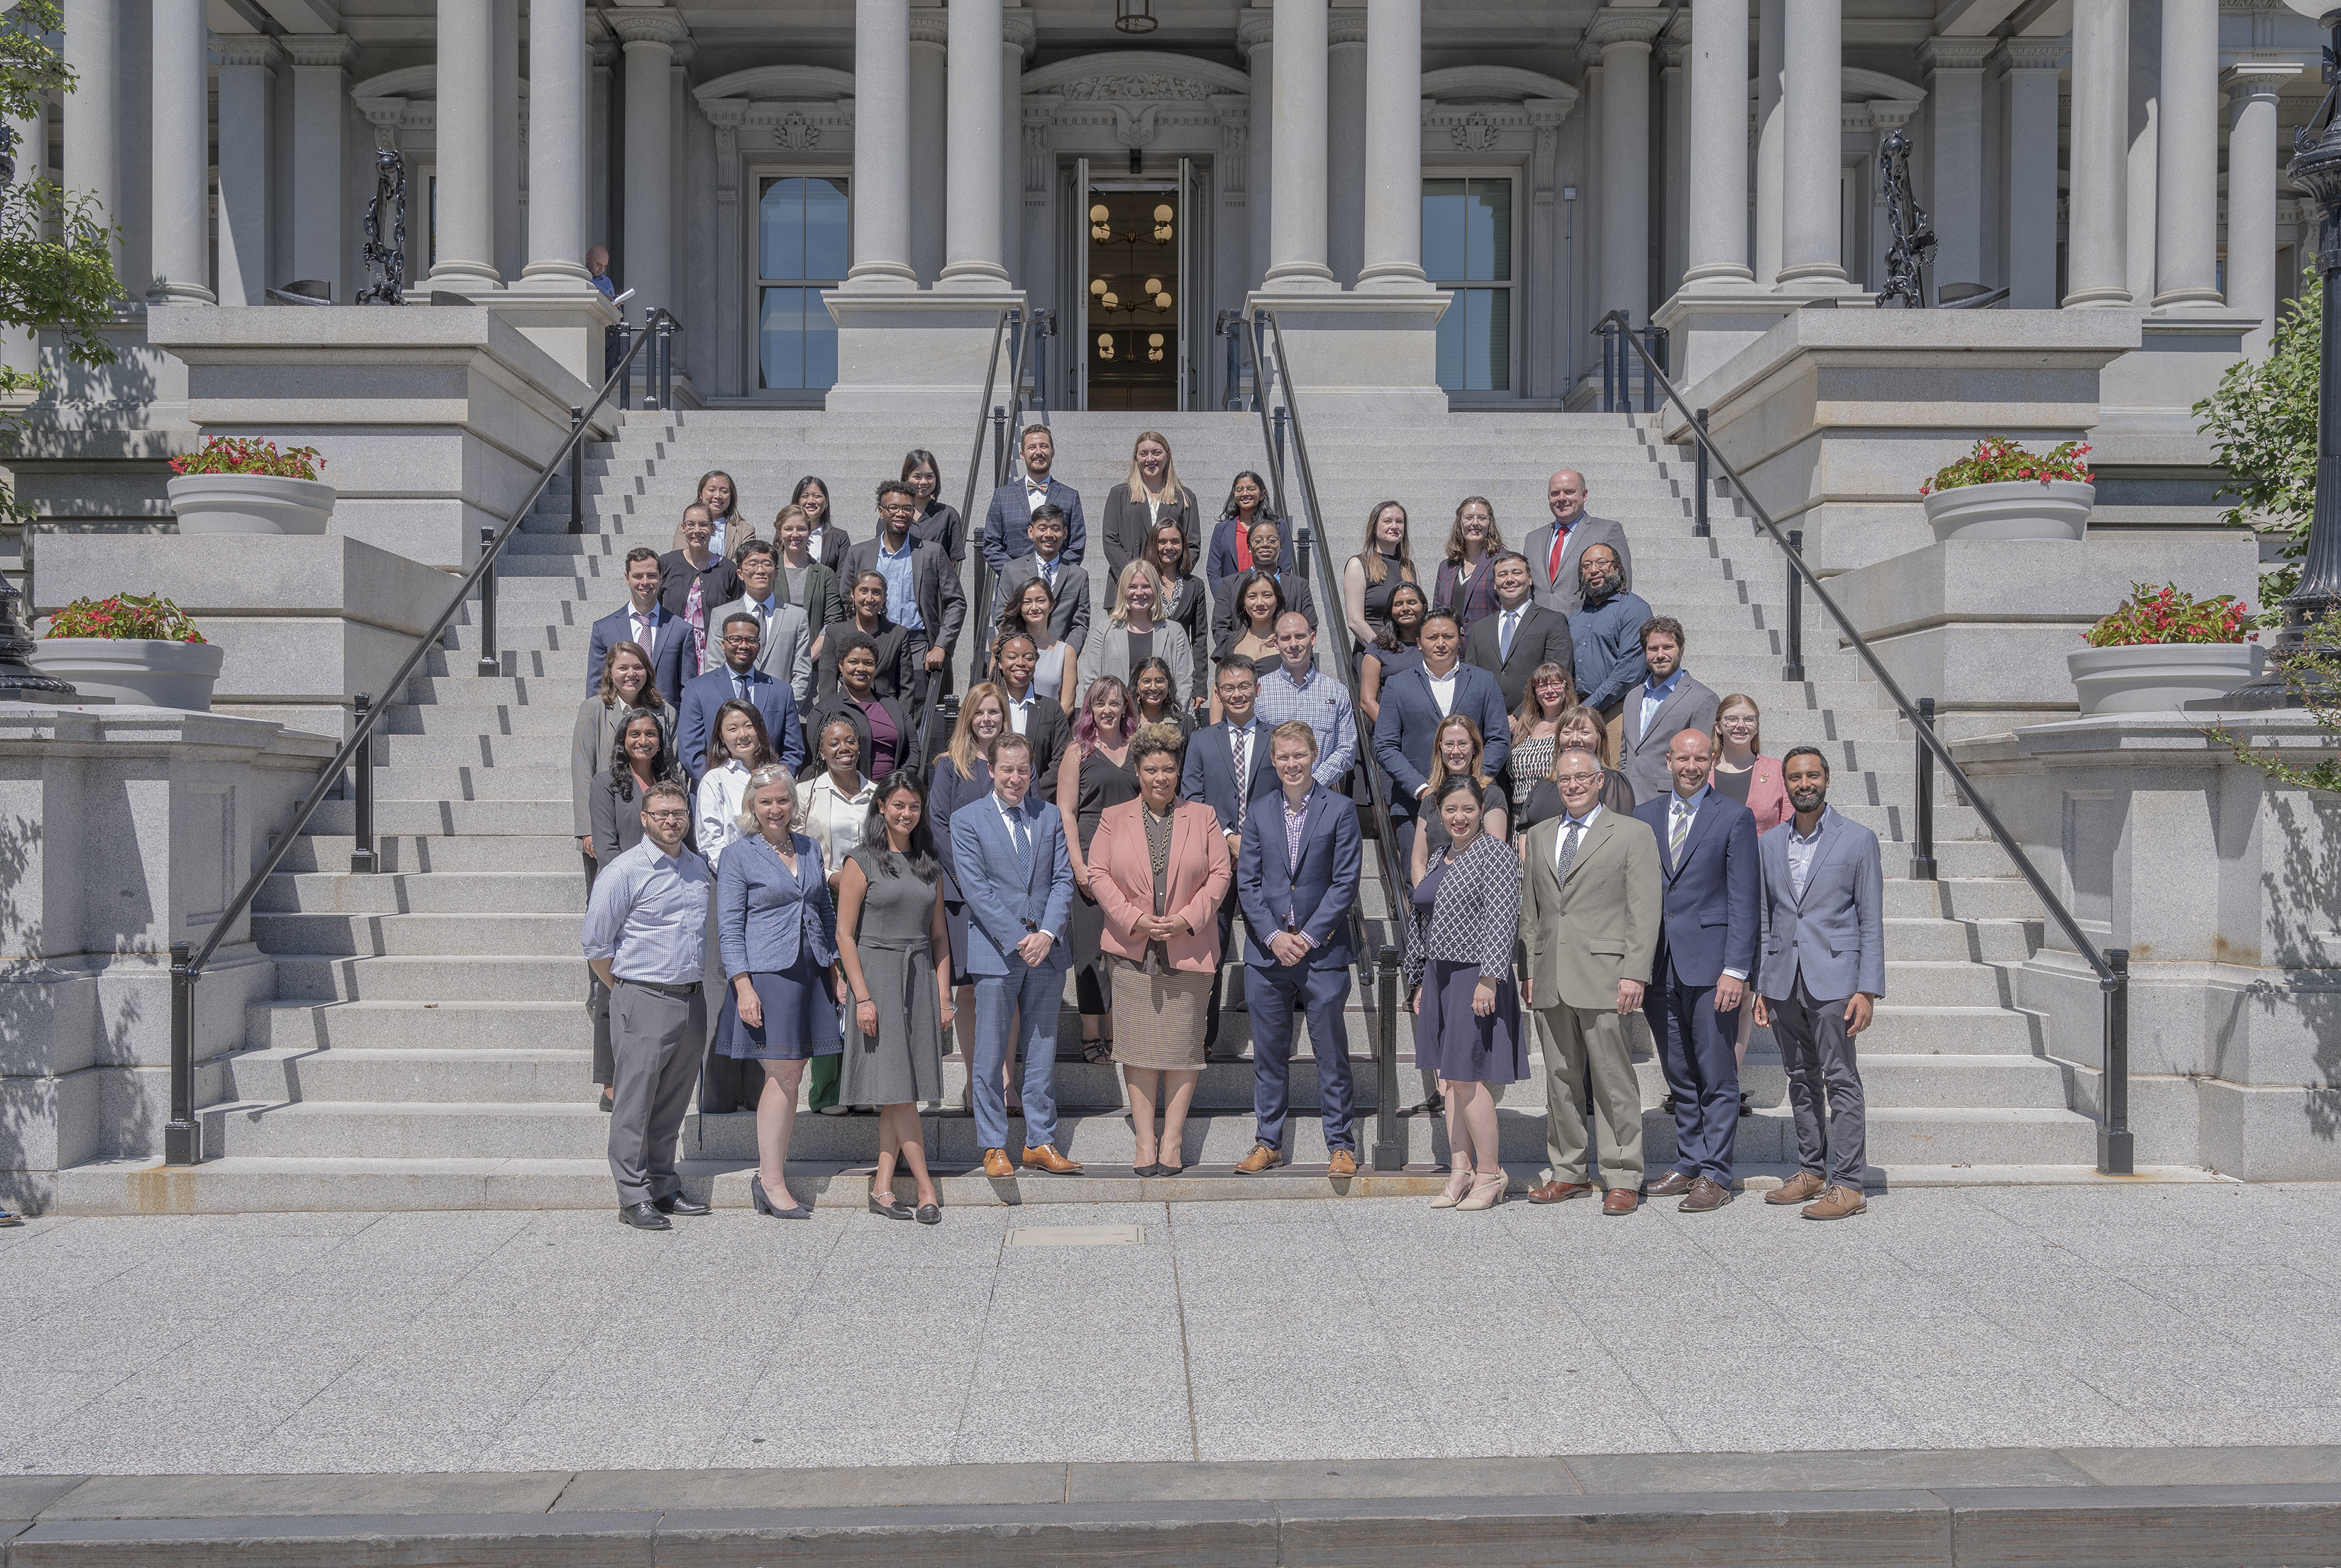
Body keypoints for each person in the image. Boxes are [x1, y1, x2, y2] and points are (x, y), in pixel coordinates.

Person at [1520, 748, 1661, 1215]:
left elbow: (1644, 910)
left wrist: (1634, 972)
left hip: (1606, 975)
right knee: (1560, 1079)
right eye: (1565, 778)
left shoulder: (1632, 833)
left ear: (1601, 781)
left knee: (1612, 1078)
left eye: (1582, 777)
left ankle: (1622, 1175)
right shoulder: (1539, 835)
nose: (1573, 785)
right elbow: (1531, 911)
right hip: (1551, 975)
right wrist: (1530, 969)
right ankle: (1568, 1172)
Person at [1089, 721, 1229, 1177]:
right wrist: (1133, 918)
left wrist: (1188, 918)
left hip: (1190, 944)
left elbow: (1221, 874)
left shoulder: (1203, 816)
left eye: (1168, 768)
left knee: (1185, 1046)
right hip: (1132, 949)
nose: (1160, 778)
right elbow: (1097, 874)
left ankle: (1173, 1141)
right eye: (1151, 769)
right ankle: (1145, 1141)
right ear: (1137, 770)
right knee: (1138, 1045)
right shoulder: (1113, 818)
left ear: (1178, 770)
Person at [1754, 746, 1884, 1221]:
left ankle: (1848, 1183)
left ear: (1826, 778)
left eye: (1812, 775)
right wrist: (1763, 984)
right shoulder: (1769, 844)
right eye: (1795, 777)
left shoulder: (1858, 839)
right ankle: (1811, 1171)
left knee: (1840, 1077)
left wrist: (1867, 988)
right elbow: (1766, 918)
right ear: (1785, 784)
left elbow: (1871, 919)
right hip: (1784, 980)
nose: (1804, 783)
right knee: (1799, 1077)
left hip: (1836, 980)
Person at [1632, 729, 1760, 1213]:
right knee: (1680, 1073)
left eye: (1701, 758)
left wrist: (1736, 970)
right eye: (1683, 758)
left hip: (1712, 967)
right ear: (1668, 761)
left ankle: (1717, 1174)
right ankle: (1689, 1162)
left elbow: (1745, 898)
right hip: (1658, 964)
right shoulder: (1644, 816)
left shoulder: (1734, 816)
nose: (1691, 766)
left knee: (1716, 1074)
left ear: (1712, 761)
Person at [581, 779, 714, 1231]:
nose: (671, 821)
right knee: (635, 1103)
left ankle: (662, 1183)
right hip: (643, 996)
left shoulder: (698, 868)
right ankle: (632, 1195)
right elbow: (596, 943)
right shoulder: (623, 871)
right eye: (661, 814)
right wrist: (626, 990)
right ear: (644, 818)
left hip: (691, 1000)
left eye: (678, 813)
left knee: (672, 1102)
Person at [950, 731, 1082, 1176]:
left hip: (1047, 951)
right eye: (1006, 769)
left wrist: (1046, 933)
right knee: (989, 1054)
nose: (1015, 777)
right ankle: (993, 1145)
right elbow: (976, 890)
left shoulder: (1049, 815)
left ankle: (1040, 1141)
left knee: (1042, 1051)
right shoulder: (968, 820)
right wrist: (1020, 938)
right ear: (991, 770)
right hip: (996, 951)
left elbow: (1062, 879)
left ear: (1032, 772)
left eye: (1023, 770)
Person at [1234, 721, 1363, 1175]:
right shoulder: (1259, 811)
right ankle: (1268, 1142)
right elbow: (1248, 883)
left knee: (1331, 1052)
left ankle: (1341, 1145)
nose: (1292, 764)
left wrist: (1306, 937)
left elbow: (1345, 883)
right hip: (1267, 954)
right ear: (1273, 761)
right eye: (1284, 757)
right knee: (1269, 1054)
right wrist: (1274, 936)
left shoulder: (1341, 809)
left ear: (1314, 756)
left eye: (1300, 755)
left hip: (1322, 953)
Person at [716, 764, 842, 1220]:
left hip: (811, 968)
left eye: (782, 800)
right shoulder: (737, 855)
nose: (775, 808)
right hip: (769, 973)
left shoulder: (807, 847)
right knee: (783, 1072)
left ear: (793, 802)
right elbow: (730, 926)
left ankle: (770, 1175)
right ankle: (770, 1181)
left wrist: (835, 969)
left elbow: (824, 910)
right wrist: (743, 985)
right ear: (752, 805)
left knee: (794, 1072)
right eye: (766, 801)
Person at [833, 772, 951, 1223]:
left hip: (919, 976)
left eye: (914, 806)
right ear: (881, 806)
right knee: (901, 1091)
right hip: (877, 978)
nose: (906, 813)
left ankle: (882, 1188)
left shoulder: (928, 864)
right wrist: (862, 998)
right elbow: (844, 935)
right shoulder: (860, 861)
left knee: (898, 1088)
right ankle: (925, 1188)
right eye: (898, 805)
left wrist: (944, 995)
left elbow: (939, 936)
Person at [1404, 777, 1527, 1211]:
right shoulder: (1441, 855)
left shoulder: (1495, 853)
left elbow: (1502, 917)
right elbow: (1424, 921)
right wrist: (1420, 980)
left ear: (1482, 811)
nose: (1460, 817)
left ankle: (1490, 1174)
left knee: (1468, 1076)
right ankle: (1460, 1170)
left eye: (1468, 809)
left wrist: (1489, 978)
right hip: (1439, 975)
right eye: (1451, 809)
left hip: (1474, 975)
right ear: (1439, 813)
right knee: (1450, 1080)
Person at [1181, 659, 1280, 1056]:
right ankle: (1202, 1038)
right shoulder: (1202, 740)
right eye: (1228, 688)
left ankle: (1269, 1037)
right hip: (1213, 862)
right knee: (1211, 948)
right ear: (1218, 694)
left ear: (1257, 689)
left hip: (1267, 861)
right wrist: (1226, 837)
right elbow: (1192, 797)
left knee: (1268, 946)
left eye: (1244, 686)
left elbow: (1286, 796)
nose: (1237, 694)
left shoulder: (1277, 738)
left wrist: (1250, 840)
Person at [588, 710, 682, 1113]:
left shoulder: (671, 783)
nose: (643, 741)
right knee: (613, 987)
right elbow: (606, 845)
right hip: (621, 894)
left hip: (666, 895)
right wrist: (630, 887)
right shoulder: (606, 782)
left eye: (651, 734)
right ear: (622, 740)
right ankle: (611, 1081)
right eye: (635, 734)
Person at [1371, 607, 1512, 872]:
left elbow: (1499, 738)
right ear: (1419, 642)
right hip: (1415, 804)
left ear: (1460, 639)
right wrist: (1421, 789)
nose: (1440, 643)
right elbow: (1385, 745)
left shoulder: (1483, 681)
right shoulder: (1398, 685)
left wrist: (1474, 782)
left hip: (1473, 804)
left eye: (1448, 636)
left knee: (1475, 878)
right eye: (1432, 637)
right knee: (1417, 881)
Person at [1059, 676, 1139, 1066]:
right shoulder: (1078, 751)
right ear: (1089, 708)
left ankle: (1118, 1033)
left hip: (1134, 863)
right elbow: (1066, 812)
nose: (1108, 710)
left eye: (1115, 702)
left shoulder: (1139, 748)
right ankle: (1091, 1034)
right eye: (1100, 703)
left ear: (1126, 707)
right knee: (1091, 952)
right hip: (1092, 860)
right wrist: (1078, 864)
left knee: (1126, 952)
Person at [930, 684, 1007, 1071]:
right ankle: (977, 1084)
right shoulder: (950, 765)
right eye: (979, 712)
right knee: (971, 989)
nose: (987, 719)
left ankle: (1004, 1081)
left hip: (1007, 891)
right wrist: (968, 878)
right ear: (967, 718)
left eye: (994, 711)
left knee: (1004, 989)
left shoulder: (1013, 762)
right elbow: (938, 824)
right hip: (962, 893)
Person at [843, 479, 965, 701]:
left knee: (916, 714)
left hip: (918, 647)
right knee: (872, 711)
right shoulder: (858, 553)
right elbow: (845, 601)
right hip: (872, 645)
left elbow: (956, 601)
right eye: (894, 508)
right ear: (881, 512)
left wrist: (942, 645)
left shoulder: (932, 552)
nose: (901, 514)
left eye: (907, 508)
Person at [574, 643, 674, 889]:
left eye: (638, 667)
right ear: (610, 672)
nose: (631, 674)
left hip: (656, 819)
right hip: (606, 817)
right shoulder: (593, 709)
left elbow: (673, 766)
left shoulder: (666, 712)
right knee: (603, 894)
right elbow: (583, 767)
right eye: (623, 668)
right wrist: (587, 829)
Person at [677, 611, 807, 787]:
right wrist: (721, 787)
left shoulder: (781, 691)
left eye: (751, 640)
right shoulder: (698, 688)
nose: (744, 646)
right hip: (716, 792)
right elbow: (690, 751)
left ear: (759, 646)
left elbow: (793, 751)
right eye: (736, 639)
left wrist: (770, 787)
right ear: (723, 644)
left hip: (767, 793)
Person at [1619, 616, 1722, 806]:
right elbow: (1627, 755)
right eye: (1653, 649)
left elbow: (1701, 761)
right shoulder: (1633, 697)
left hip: (1668, 802)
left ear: (1681, 650)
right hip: (1627, 801)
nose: (1660, 655)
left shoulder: (1703, 699)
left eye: (1668, 647)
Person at [1253, 610, 1355, 789]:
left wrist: (1313, 783)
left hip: (1321, 793)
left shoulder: (1337, 692)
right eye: (1286, 638)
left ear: (1312, 638)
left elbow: (1346, 749)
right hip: (1271, 793)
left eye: (1300, 636)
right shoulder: (1259, 691)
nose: (1293, 644)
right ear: (1276, 643)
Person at [1465, 550, 1576, 713]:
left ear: (1530, 579)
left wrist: (1519, 716)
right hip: (1488, 722)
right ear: (1494, 583)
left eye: (1517, 573)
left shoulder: (1553, 621)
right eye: (1502, 575)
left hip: (1537, 720)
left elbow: (1558, 678)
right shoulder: (1479, 629)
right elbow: (1470, 681)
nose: (1510, 579)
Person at [707, 539, 814, 704]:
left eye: (767, 564)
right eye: (752, 564)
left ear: (776, 573)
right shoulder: (721, 615)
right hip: (733, 711)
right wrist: (732, 713)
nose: (760, 570)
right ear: (740, 574)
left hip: (779, 709)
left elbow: (802, 673)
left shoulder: (796, 617)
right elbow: (714, 668)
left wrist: (784, 710)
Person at [1407, 714, 1510, 886]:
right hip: (1434, 894)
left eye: (1462, 744)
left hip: (1474, 893)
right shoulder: (1430, 800)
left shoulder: (1491, 795)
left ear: (1474, 748)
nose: (1455, 751)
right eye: (1449, 744)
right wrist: (1423, 894)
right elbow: (1419, 860)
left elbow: (1495, 858)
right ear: (1440, 748)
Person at [1085, 558, 1196, 713]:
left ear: (1156, 589)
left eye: (1146, 586)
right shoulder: (1103, 632)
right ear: (1123, 590)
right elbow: (1092, 682)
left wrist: (1172, 718)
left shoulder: (1175, 632)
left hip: (1162, 721)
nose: (1139, 593)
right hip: (1116, 721)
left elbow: (1184, 683)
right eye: (1132, 587)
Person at [805, 631, 918, 781]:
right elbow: (820, 758)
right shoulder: (824, 711)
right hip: (846, 791)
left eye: (868, 663)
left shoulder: (893, 706)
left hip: (893, 789)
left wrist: (897, 785)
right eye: (853, 662)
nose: (861, 668)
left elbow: (912, 750)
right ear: (841, 665)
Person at [587, 547, 692, 706]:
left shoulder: (681, 629)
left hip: (664, 718)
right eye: (638, 576)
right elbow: (596, 687)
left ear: (661, 577)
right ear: (627, 578)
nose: (645, 582)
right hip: (618, 718)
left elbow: (687, 689)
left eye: (651, 575)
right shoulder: (604, 629)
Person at [1521, 468, 1633, 617]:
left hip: (1585, 625)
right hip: (1540, 627)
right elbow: (1527, 592)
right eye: (1555, 493)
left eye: (1569, 492)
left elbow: (1622, 587)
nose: (1561, 498)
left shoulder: (1607, 530)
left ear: (1584, 495)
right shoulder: (1533, 539)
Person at [1513, 703, 1637, 835]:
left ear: (1599, 738)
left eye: (1584, 732)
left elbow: (1620, 834)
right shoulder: (1542, 785)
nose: (1575, 739)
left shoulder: (1611, 781)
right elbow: (1525, 831)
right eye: (1567, 732)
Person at [1098, 430, 1201, 585]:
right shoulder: (1119, 494)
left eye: (1157, 453)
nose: (1150, 459)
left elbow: (1192, 544)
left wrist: (1172, 578)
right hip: (1127, 584)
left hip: (1170, 584)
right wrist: (1133, 578)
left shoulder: (1185, 497)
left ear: (1168, 456)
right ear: (1136, 457)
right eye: (1143, 454)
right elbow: (1110, 541)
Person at [1571, 543, 1654, 729]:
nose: (1594, 570)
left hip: (1618, 709)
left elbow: (1630, 670)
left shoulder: (1634, 609)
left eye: (1601, 563)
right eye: (1587, 566)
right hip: (1577, 710)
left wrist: (1591, 705)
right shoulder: (1575, 618)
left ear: (1616, 566)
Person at [983, 423, 1088, 569]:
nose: (1038, 452)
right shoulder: (1002, 496)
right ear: (1022, 455)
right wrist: (1016, 574)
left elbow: (1077, 545)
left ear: (1053, 452)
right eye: (1032, 447)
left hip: (1057, 580)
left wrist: (1053, 573)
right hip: (1014, 581)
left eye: (1044, 446)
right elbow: (991, 545)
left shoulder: (1070, 496)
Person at [993, 503, 1092, 653]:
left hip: (1060, 655)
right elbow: (1003, 617)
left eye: (1055, 529)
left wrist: (1065, 654)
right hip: (1021, 656)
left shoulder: (1078, 576)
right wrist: (1023, 651)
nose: (1049, 534)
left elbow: (1080, 624)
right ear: (1031, 531)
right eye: (1042, 528)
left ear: (1065, 532)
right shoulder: (1012, 570)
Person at [658, 504, 741, 680]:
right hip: (674, 651)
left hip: (715, 654)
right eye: (691, 524)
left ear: (713, 528)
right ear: (683, 528)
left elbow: (739, 610)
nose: (697, 531)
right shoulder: (667, 563)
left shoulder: (727, 569)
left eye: (703, 524)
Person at [694, 698, 780, 866]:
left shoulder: (777, 775)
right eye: (733, 729)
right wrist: (738, 874)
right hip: (735, 874)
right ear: (721, 735)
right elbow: (710, 841)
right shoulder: (714, 780)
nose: (743, 735)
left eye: (749, 726)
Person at [1210, 517, 1318, 650]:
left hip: (1287, 657)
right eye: (1258, 540)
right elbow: (1220, 627)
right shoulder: (1230, 584)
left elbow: (1310, 625)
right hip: (1242, 655)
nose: (1265, 544)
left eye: (1272, 540)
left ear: (1281, 546)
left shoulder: (1299, 585)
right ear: (1249, 546)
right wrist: (1242, 651)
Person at [815, 570, 921, 702]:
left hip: (886, 709)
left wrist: (901, 715)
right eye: (864, 591)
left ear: (884, 597)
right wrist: (831, 714)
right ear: (852, 593)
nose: (869, 599)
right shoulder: (835, 633)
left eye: (876, 592)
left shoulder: (898, 634)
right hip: (847, 710)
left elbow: (907, 687)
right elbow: (827, 686)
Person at [993, 631, 1073, 799]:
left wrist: (1033, 791)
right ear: (1000, 662)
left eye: (1028, 658)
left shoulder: (1052, 709)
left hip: (1040, 801)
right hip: (994, 800)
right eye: (1012, 657)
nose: (1020, 663)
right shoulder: (989, 708)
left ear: (1036, 663)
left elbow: (1062, 759)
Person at [1149, 519, 1212, 707]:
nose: (1169, 547)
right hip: (1148, 672)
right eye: (1162, 542)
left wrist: (1200, 686)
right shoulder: (1144, 582)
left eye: (1175, 541)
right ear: (1153, 545)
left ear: (1183, 546)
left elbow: (1199, 638)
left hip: (1182, 670)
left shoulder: (1195, 585)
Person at [1343, 499, 1418, 655]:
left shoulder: (1410, 567)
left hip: (1408, 653)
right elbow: (1355, 621)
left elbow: (1419, 615)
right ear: (1374, 527)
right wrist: (1384, 652)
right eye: (1387, 521)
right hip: (1374, 654)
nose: (1394, 526)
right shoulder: (1358, 564)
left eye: (1399, 521)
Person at [773, 504, 848, 656]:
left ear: (810, 531)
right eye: (788, 529)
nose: (795, 535)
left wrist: (808, 657)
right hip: (774, 658)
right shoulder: (769, 572)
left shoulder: (825, 574)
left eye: (801, 529)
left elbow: (832, 622)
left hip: (813, 660)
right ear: (779, 532)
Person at [1710, 694, 1791, 833]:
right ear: (1718, 727)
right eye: (1732, 719)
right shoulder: (1704, 771)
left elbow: (1788, 827)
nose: (1741, 725)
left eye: (1749, 719)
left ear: (1757, 727)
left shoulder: (1778, 770)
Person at [999, 577, 1077, 710]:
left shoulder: (1066, 652)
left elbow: (1067, 705)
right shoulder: (1004, 646)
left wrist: (1047, 723)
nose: (1034, 608)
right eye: (1027, 602)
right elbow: (995, 692)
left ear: (1051, 605)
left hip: (1050, 722)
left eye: (1040, 601)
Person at [1358, 581, 1428, 728]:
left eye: (1412, 602)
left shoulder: (1435, 645)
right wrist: (1393, 730)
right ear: (1391, 610)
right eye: (1398, 604)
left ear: (1424, 607)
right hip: (1392, 731)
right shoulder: (1377, 648)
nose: (1405, 608)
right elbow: (1367, 701)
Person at [1214, 570, 1288, 706]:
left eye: (1267, 595)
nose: (1259, 603)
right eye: (1252, 596)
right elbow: (1219, 691)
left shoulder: (1288, 643)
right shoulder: (1230, 642)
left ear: (1277, 600)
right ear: (1243, 602)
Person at [1205, 470, 1291, 586]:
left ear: (1262, 495)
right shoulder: (1222, 529)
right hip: (1231, 594)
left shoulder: (1279, 526)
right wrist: (1226, 596)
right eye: (1239, 490)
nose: (1245, 493)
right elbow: (1214, 571)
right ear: (1234, 496)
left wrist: (1273, 594)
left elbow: (1285, 566)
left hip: (1267, 593)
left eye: (1251, 489)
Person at [1504, 663, 1577, 801]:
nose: (1549, 690)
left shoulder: (1573, 726)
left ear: (1566, 687)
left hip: (1555, 808)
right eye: (1542, 686)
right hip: (1520, 810)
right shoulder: (1522, 728)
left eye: (1556, 684)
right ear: (1534, 693)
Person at [1432, 496, 1505, 633]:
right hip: (1450, 643)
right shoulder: (1446, 567)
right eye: (1469, 517)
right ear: (1460, 523)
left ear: (1490, 523)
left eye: (1482, 518)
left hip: (1486, 642)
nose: (1475, 523)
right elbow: (1437, 611)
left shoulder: (1501, 561)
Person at [901, 449, 965, 567]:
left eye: (929, 476)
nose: (923, 482)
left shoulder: (948, 515)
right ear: (906, 478)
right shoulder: (893, 514)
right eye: (917, 477)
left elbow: (953, 562)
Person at [670, 469, 749, 557]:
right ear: (700, 494)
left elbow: (746, 561)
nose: (717, 496)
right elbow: (679, 559)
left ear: (731, 496)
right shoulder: (686, 527)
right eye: (711, 490)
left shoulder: (745, 530)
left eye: (724, 491)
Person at [791, 475, 851, 574]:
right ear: (797, 502)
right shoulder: (787, 535)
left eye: (817, 496)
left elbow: (843, 576)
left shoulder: (840, 538)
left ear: (827, 502)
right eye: (805, 496)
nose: (811, 501)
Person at [1130, 655, 1192, 738]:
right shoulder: (1125, 722)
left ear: (1168, 685)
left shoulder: (1185, 722)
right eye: (1146, 681)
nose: (1153, 688)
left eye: (1159, 681)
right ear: (1136, 685)